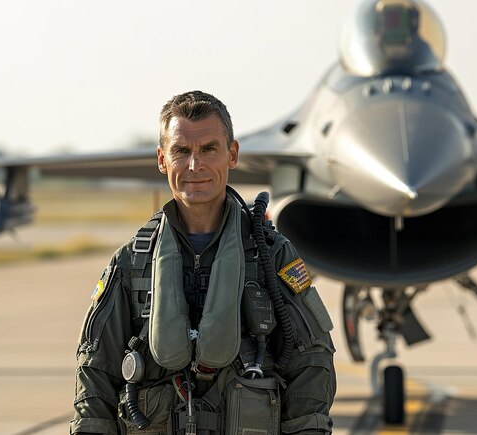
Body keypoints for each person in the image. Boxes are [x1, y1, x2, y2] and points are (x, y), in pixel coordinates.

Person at [70, 90, 336, 435]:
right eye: (181, 151)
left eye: (209, 149)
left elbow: (310, 360)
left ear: (232, 154)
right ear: (162, 160)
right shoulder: (133, 261)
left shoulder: (270, 255)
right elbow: (95, 368)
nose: (195, 165)